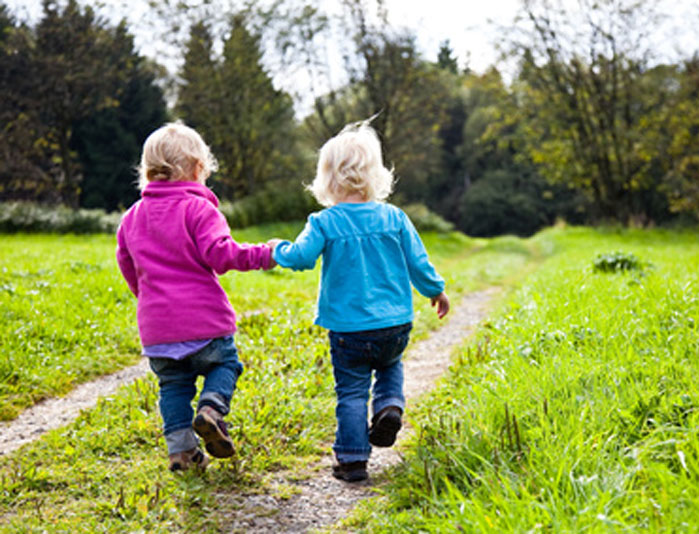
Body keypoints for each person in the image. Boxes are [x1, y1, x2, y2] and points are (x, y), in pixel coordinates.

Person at [268, 120, 450, 482]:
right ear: (377, 175)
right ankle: (389, 407)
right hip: (395, 323)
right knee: (390, 365)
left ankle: (352, 460)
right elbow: (419, 263)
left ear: (327, 179)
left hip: (348, 329)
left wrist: (278, 249)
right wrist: (436, 291)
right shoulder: (395, 217)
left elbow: (302, 257)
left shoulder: (324, 222)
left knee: (351, 391)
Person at [116, 122, 275, 472]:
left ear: (146, 171)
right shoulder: (199, 209)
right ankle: (212, 410)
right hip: (203, 321)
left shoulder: (131, 218)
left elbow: (127, 265)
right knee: (225, 364)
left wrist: (147, 299)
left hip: (157, 328)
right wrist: (265, 254)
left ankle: (182, 454)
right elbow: (221, 254)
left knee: (172, 386)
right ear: (198, 169)